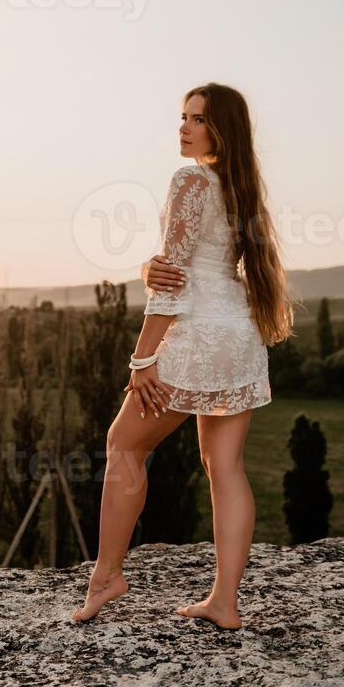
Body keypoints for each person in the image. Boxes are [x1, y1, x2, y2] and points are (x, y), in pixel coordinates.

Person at [71, 83, 296, 630]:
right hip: (238, 336)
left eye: (197, 119)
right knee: (225, 467)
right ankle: (225, 602)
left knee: (123, 445)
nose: (184, 127)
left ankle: (107, 577)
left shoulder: (191, 179)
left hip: (195, 336)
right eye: (182, 117)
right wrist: (153, 268)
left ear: (221, 129)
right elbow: (192, 267)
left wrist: (143, 359)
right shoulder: (241, 186)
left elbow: (172, 281)